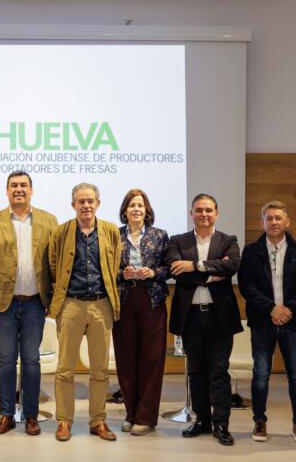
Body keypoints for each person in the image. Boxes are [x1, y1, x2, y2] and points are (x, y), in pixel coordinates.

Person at [0, 170, 58, 436]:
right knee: (7, 361)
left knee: (32, 361)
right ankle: (7, 414)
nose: (19, 189)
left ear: (31, 190)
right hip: (4, 304)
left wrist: (54, 298)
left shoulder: (48, 220)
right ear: (7, 190)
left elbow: (55, 264)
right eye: (14, 185)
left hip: (35, 304)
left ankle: (31, 415)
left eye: (23, 185)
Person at [166, 193, 242, 446]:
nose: (204, 214)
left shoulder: (228, 241)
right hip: (191, 318)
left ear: (216, 213)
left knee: (219, 371)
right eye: (199, 210)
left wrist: (195, 266)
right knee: (196, 372)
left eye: (209, 210)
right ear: (191, 214)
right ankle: (202, 421)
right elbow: (176, 271)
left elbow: (232, 267)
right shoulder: (178, 241)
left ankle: (221, 424)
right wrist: (212, 271)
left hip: (219, 317)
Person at [48, 182, 122, 442]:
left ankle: (98, 421)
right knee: (65, 369)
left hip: (101, 305)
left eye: (90, 201)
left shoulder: (111, 231)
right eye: (81, 201)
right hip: (71, 305)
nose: (86, 205)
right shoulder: (61, 232)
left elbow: (114, 267)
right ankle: (64, 421)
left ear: (98, 203)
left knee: (100, 370)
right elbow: (52, 267)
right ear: (73, 205)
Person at [237, 201, 296, 444]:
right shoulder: (251, 251)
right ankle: (259, 421)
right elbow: (247, 287)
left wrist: (289, 309)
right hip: (263, 322)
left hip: (293, 322)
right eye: (269, 218)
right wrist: (271, 308)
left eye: (278, 218)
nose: (273, 222)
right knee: (261, 374)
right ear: (261, 223)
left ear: (287, 222)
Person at [113, 189, 170, 436]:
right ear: (125, 211)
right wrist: (121, 274)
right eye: (131, 205)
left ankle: (145, 417)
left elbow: (170, 268)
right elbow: (106, 270)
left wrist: (154, 272)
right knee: (126, 359)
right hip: (124, 300)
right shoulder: (114, 235)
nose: (136, 209)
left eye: (140, 205)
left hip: (152, 300)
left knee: (151, 359)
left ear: (147, 210)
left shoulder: (160, 235)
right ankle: (130, 413)